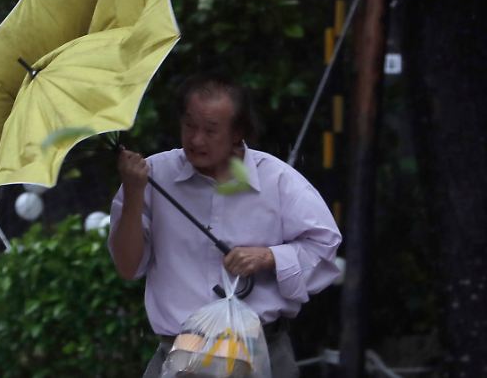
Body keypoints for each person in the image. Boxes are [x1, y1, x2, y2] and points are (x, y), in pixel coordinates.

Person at [107, 72, 342, 378]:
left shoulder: (278, 180)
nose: (196, 139)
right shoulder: (152, 175)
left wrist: (269, 257)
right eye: (189, 125)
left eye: (210, 130)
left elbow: (323, 246)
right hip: (180, 359)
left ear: (237, 132)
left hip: (259, 353)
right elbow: (127, 267)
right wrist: (134, 192)